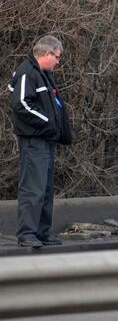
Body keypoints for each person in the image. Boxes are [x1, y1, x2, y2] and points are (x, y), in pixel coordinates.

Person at [9, 35, 73, 248]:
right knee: (32, 188)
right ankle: (27, 233)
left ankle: (43, 231)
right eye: (57, 57)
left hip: (46, 140)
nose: (58, 61)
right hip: (34, 139)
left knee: (45, 188)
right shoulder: (28, 72)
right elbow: (20, 105)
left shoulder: (43, 74)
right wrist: (48, 122)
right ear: (47, 53)